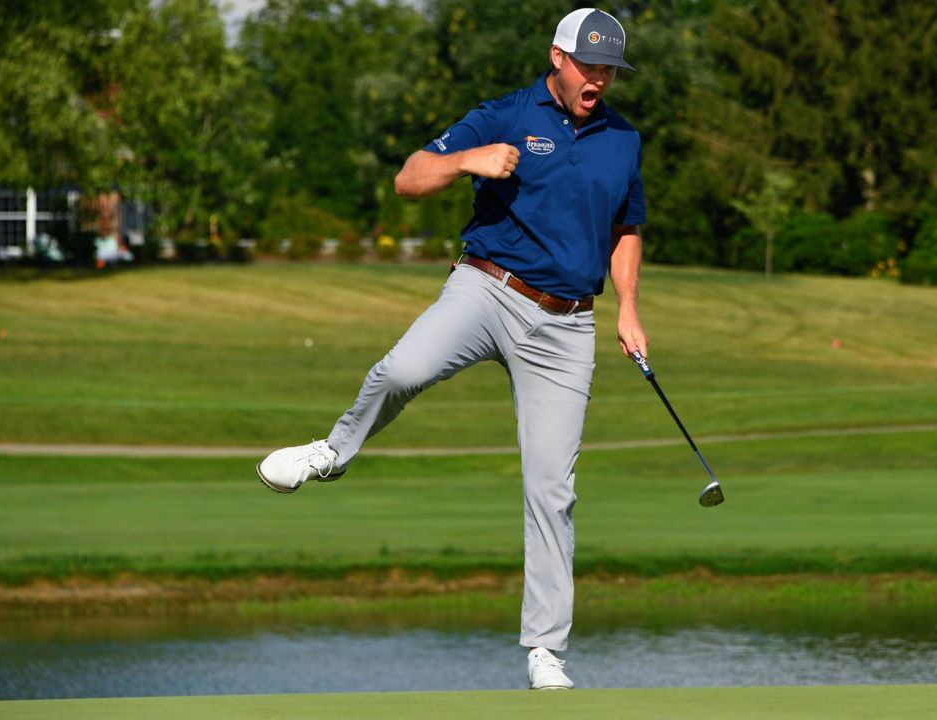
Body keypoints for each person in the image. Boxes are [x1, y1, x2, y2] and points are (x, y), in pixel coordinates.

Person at [255, 8, 646, 691]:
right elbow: (410, 178)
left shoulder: (623, 140)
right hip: (486, 288)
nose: (600, 80)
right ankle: (331, 453)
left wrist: (630, 311)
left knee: (552, 490)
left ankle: (545, 653)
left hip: (567, 325)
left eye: (610, 69)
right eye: (590, 66)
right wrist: (469, 160)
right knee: (401, 368)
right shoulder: (501, 114)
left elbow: (628, 230)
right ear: (558, 57)